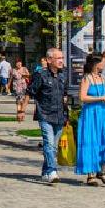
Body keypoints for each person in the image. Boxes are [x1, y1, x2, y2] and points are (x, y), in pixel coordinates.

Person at [27, 47, 68, 183]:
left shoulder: (63, 75)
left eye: (62, 58)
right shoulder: (41, 75)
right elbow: (30, 91)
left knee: (53, 147)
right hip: (44, 114)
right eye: (58, 58)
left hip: (59, 115)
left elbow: (65, 95)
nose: (61, 61)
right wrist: (21, 110)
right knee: (49, 145)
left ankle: (45, 172)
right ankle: (52, 171)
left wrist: (67, 113)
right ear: (49, 60)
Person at [76, 53, 105, 186]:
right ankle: (91, 174)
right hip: (91, 114)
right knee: (92, 141)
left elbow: (103, 94)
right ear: (96, 64)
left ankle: (102, 170)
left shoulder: (101, 78)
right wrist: (101, 98)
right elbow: (82, 97)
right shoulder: (87, 78)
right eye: (103, 62)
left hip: (104, 113)